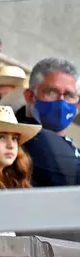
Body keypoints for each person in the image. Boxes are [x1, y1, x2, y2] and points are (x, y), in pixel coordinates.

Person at [15, 58, 80, 187]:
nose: (61, 102)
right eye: (52, 92)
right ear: (30, 96)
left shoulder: (67, 144)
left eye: (69, 95)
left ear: (78, 104)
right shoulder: (30, 138)